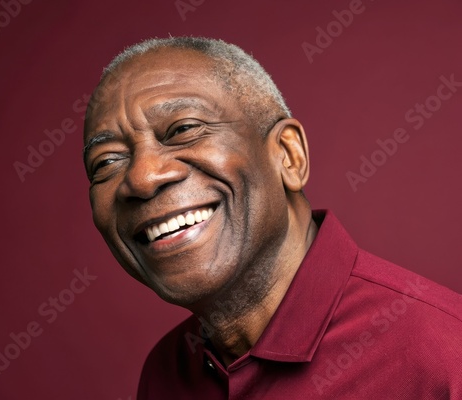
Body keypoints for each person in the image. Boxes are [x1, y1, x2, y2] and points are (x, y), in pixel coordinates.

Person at [83, 37, 462, 399]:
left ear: (288, 156)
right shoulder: (166, 372)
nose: (143, 178)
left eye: (183, 129)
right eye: (106, 162)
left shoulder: (444, 354)